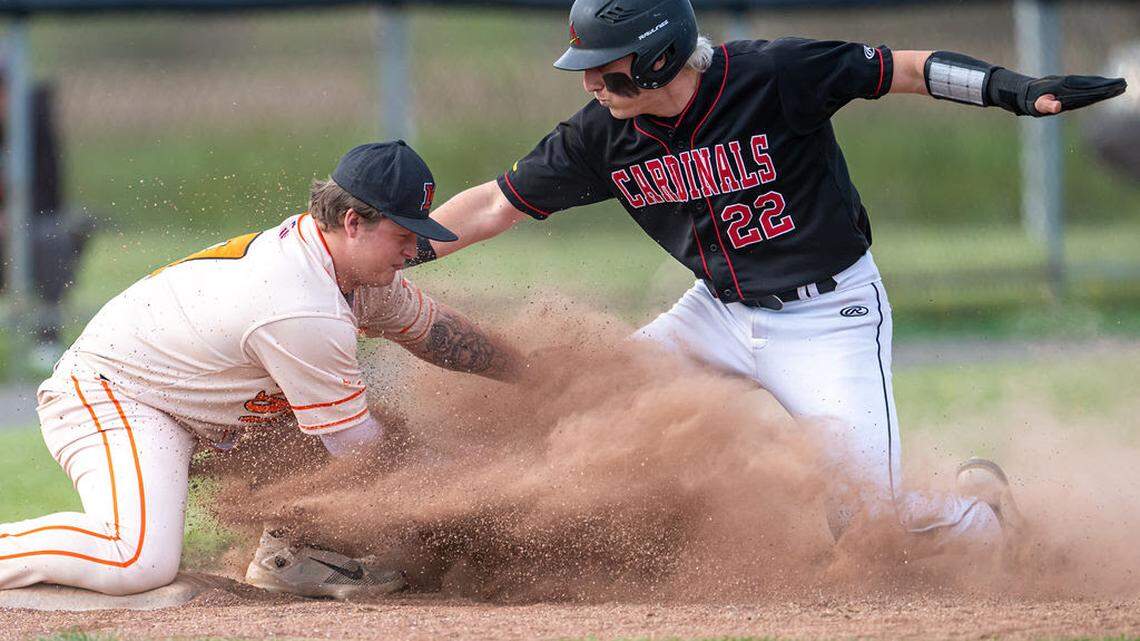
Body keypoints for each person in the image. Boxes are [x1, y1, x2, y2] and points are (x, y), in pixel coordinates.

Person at [411, 0, 1125, 548]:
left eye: (610, 65)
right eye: (589, 69)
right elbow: (494, 205)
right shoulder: (603, 133)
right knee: (583, 401)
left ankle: (987, 517)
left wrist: (1010, 88)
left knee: (868, 522)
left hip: (830, 317)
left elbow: (902, 69)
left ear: (660, 57)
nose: (594, 82)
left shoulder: (774, 75)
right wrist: (401, 250)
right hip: (715, 313)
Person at [0, 141, 521, 598]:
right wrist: (462, 497)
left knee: (355, 428)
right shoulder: (301, 305)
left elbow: (436, 334)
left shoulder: (343, 267)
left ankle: (292, 558)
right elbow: (357, 449)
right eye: (403, 233)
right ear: (353, 222)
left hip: (200, 405)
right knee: (136, 559)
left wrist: (533, 372)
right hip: (117, 399)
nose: (414, 249)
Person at [0, 74, 96, 367]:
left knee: (52, 235)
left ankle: (47, 335)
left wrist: (13, 218)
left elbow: (50, 194)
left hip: (27, 228)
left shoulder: (33, 128)